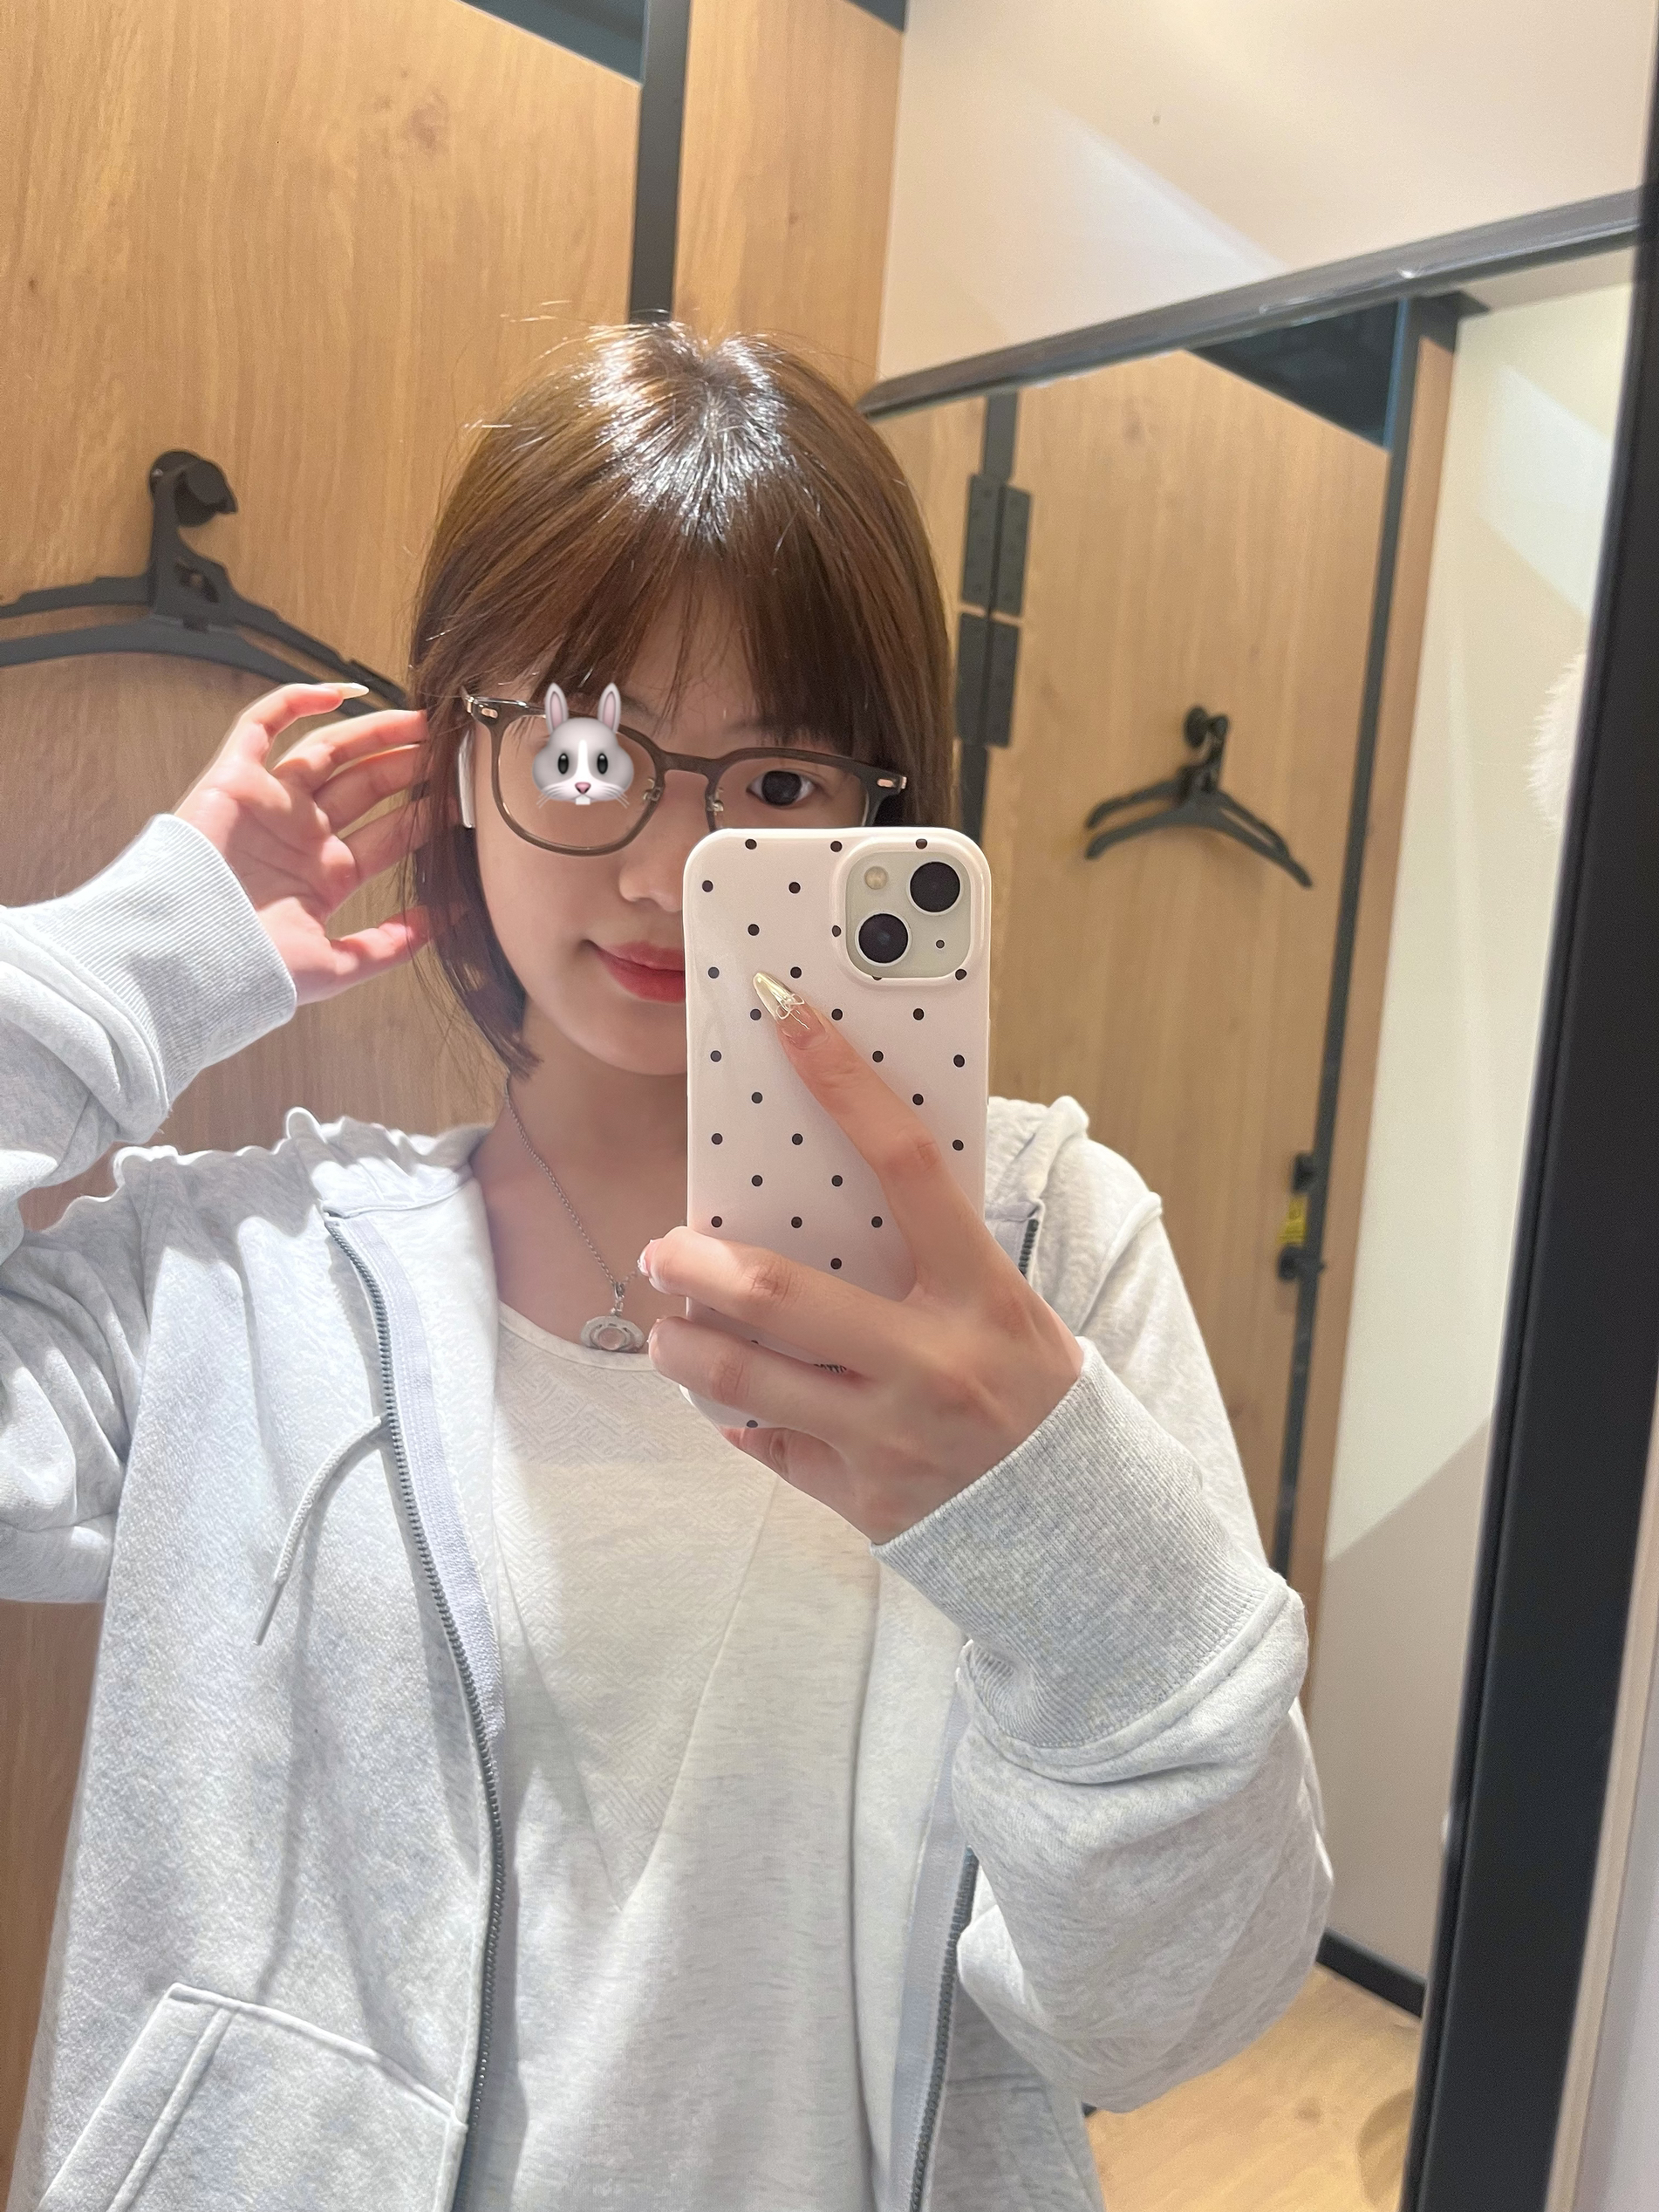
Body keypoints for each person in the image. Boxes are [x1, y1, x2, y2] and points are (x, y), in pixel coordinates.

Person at [0, 325, 1328, 2212]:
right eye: (586, 751)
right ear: (459, 756)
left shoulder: (1039, 1263)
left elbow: (1167, 2012)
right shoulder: (246, 1278)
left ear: (879, 813)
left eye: (775, 777)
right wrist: (120, 973)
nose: (662, 870)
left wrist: (1060, 1527)